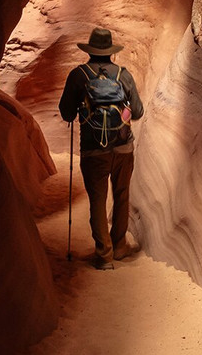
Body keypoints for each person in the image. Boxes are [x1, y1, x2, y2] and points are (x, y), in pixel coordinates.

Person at [59, 27, 145, 270]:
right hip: (123, 148)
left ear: (90, 50)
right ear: (111, 53)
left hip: (93, 151)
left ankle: (104, 256)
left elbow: (65, 112)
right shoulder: (123, 75)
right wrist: (122, 112)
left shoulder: (79, 75)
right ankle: (119, 246)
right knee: (121, 195)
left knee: (98, 200)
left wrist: (83, 109)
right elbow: (138, 112)